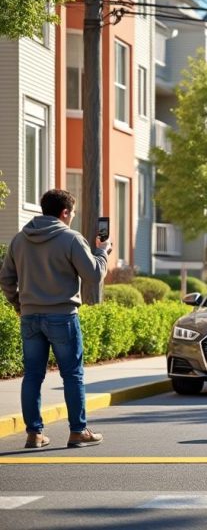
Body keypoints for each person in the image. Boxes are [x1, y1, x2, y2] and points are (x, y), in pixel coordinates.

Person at [0, 189, 111, 449]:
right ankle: (77, 431)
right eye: (72, 213)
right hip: (62, 316)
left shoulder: (19, 240)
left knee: (33, 376)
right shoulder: (71, 239)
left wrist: (20, 304)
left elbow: (6, 280)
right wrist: (103, 251)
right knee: (72, 375)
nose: (72, 217)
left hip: (29, 317)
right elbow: (94, 275)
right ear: (64, 212)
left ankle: (34, 434)